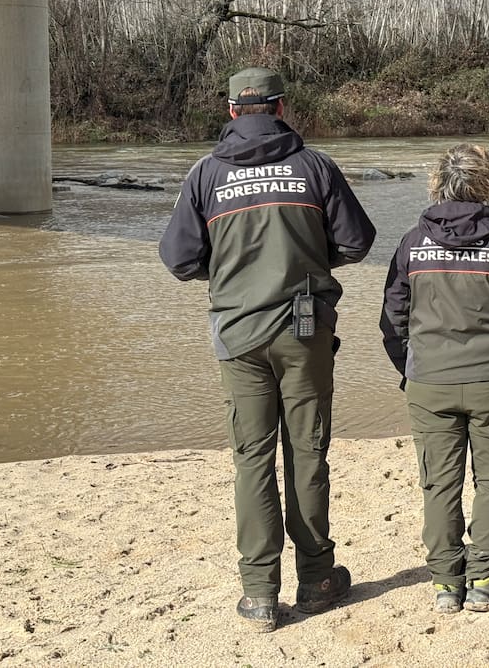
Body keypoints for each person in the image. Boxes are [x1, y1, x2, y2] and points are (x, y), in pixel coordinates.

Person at [159, 68, 375, 632]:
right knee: (308, 452)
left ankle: (259, 594)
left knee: (252, 458)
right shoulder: (314, 167)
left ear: (232, 112)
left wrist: (230, 273)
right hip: (305, 330)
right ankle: (316, 580)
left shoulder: (205, 174)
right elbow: (356, 241)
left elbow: (179, 259)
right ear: (280, 108)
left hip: (237, 332)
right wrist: (308, 258)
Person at [380, 144, 489, 614]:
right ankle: (486, 579)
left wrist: (411, 367)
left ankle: (445, 585)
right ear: (485, 182)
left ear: (437, 182)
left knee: (438, 483)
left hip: (429, 380)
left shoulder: (412, 243)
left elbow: (391, 319)